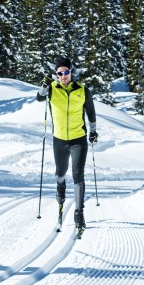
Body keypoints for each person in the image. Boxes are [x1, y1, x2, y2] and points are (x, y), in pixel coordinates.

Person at [36, 58, 98, 232]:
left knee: (78, 174)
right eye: (60, 73)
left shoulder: (82, 90)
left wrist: (93, 131)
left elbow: (91, 112)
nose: (63, 76)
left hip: (79, 139)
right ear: (56, 75)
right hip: (59, 140)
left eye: (66, 72)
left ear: (71, 72)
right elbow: (39, 98)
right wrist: (43, 85)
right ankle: (60, 187)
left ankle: (79, 214)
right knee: (60, 173)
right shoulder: (52, 90)